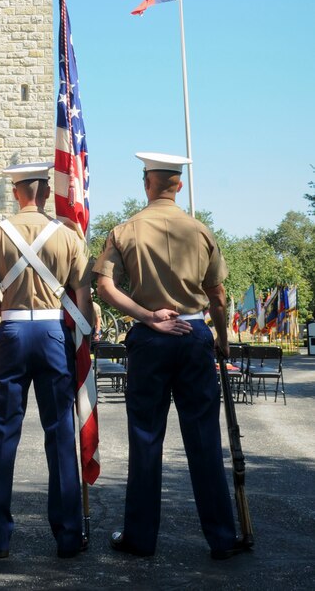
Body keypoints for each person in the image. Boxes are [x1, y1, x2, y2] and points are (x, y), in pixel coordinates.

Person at [94, 152, 249, 561]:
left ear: (147, 183)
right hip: (195, 333)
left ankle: (140, 538)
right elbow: (217, 295)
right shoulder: (201, 231)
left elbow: (104, 287)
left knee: (146, 438)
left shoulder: (124, 231)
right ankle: (221, 537)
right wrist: (221, 336)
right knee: (204, 439)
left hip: (150, 335)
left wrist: (147, 315)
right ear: (178, 185)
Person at [0, 162, 93, 559]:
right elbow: (81, 295)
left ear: (16, 192)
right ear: (43, 192)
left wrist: (9, 310)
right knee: (59, 432)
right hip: (53, 333)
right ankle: (69, 536)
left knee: (3, 433)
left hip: (11, 331)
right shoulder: (68, 235)